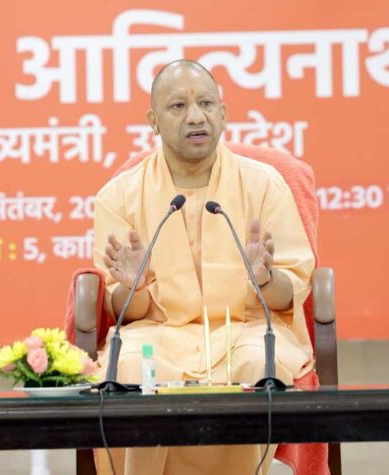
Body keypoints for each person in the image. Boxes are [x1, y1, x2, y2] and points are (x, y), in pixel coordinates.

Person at [92, 59, 316, 475]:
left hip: (245, 330)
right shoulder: (119, 196)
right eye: (178, 106)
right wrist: (133, 286)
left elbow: (292, 291)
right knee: (130, 369)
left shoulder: (265, 184)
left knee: (257, 365)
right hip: (158, 334)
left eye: (206, 104)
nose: (196, 117)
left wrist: (266, 279)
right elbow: (127, 311)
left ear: (224, 115)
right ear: (153, 121)